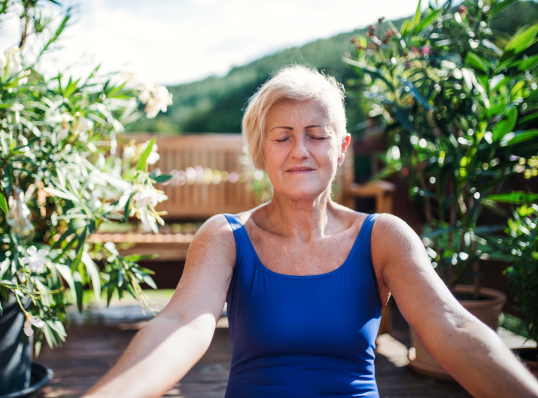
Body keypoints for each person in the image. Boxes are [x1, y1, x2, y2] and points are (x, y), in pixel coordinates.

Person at [84, 65, 538, 398]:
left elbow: (452, 325)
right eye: (281, 136)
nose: (299, 150)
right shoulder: (225, 237)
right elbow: (180, 323)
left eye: (316, 134)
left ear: (341, 149)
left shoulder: (383, 236)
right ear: (261, 153)